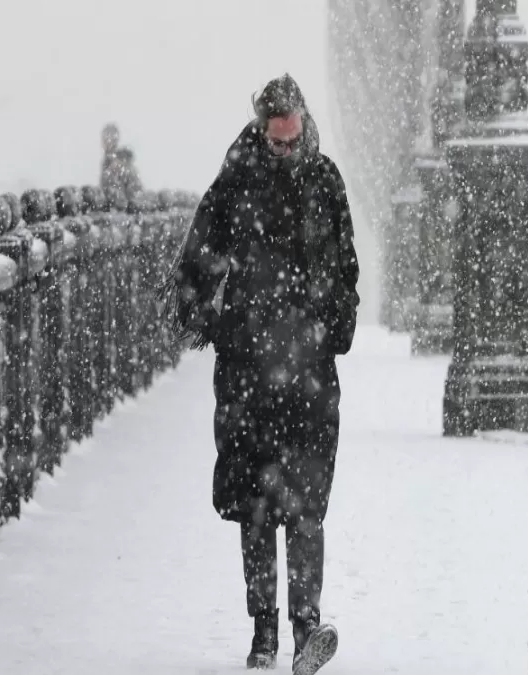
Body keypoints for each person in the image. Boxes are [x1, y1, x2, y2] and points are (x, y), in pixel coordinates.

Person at [160, 74, 359, 674]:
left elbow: (346, 266)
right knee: (255, 505)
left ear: (303, 127)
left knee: (304, 503)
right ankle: (263, 630)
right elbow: (196, 259)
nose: (286, 151)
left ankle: (304, 630)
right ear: (262, 130)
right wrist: (209, 324)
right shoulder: (235, 183)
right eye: (277, 142)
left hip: (308, 371)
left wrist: (334, 327)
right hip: (249, 369)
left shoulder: (325, 182)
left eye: (293, 140)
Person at [100, 123, 143, 206]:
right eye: (104, 138)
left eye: (109, 138)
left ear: (115, 140)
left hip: (123, 207)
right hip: (115, 206)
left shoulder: (119, 162)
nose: (105, 142)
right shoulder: (107, 161)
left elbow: (132, 190)